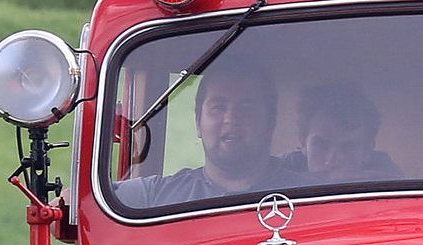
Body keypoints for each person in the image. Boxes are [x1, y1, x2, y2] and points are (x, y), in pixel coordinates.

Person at [129, 60, 304, 205]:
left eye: (246, 107)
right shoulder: (153, 198)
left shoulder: (310, 197)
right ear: (198, 122)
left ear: (270, 122)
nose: (231, 119)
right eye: (218, 107)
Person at [298, 84, 401, 183]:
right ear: (303, 143)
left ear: (367, 151)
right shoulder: (282, 187)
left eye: (348, 147)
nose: (332, 160)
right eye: (321, 145)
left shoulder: (392, 188)